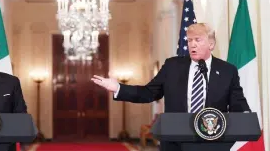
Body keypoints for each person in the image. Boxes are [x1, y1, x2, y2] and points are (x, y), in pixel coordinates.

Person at [91, 23, 250, 151]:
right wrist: (118, 87)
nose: (192, 44)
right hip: (175, 143)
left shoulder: (227, 71)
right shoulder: (173, 66)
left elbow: (237, 105)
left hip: (212, 143)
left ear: (211, 44)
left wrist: (247, 120)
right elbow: (148, 93)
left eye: (198, 40)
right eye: (189, 40)